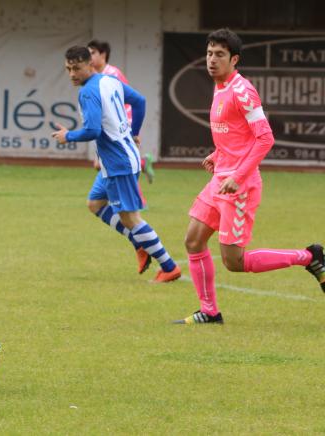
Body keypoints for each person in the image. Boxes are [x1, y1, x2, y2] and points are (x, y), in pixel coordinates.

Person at [175, 28, 324, 324]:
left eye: (219, 54)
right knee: (193, 240)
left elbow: (264, 138)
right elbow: (236, 135)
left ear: (234, 59)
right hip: (221, 179)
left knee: (235, 262)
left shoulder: (242, 91)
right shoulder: (219, 86)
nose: (212, 60)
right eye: (209, 53)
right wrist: (218, 155)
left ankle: (309, 257)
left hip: (239, 186)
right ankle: (209, 312)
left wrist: (239, 176)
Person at [53, 46, 181, 283]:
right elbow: (140, 101)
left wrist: (68, 136)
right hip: (120, 158)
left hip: (117, 163)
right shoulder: (109, 81)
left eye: (77, 68)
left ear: (90, 64)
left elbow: (92, 130)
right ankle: (139, 242)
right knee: (95, 203)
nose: (72, 74)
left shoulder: (87, 93)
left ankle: (169, 267)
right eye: (68, 69)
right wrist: (134, 132)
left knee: (130, 219)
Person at [88, 39, 155, 184]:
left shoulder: (113, 74)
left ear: (103, 54)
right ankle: (143, 163)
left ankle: (134, 201)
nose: (90, 57)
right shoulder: (95, 76)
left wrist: (130, 128)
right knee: (101, 165)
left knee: (120, 164)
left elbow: (130, 100)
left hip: (122, 123)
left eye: (93, 53)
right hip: (107, 125)